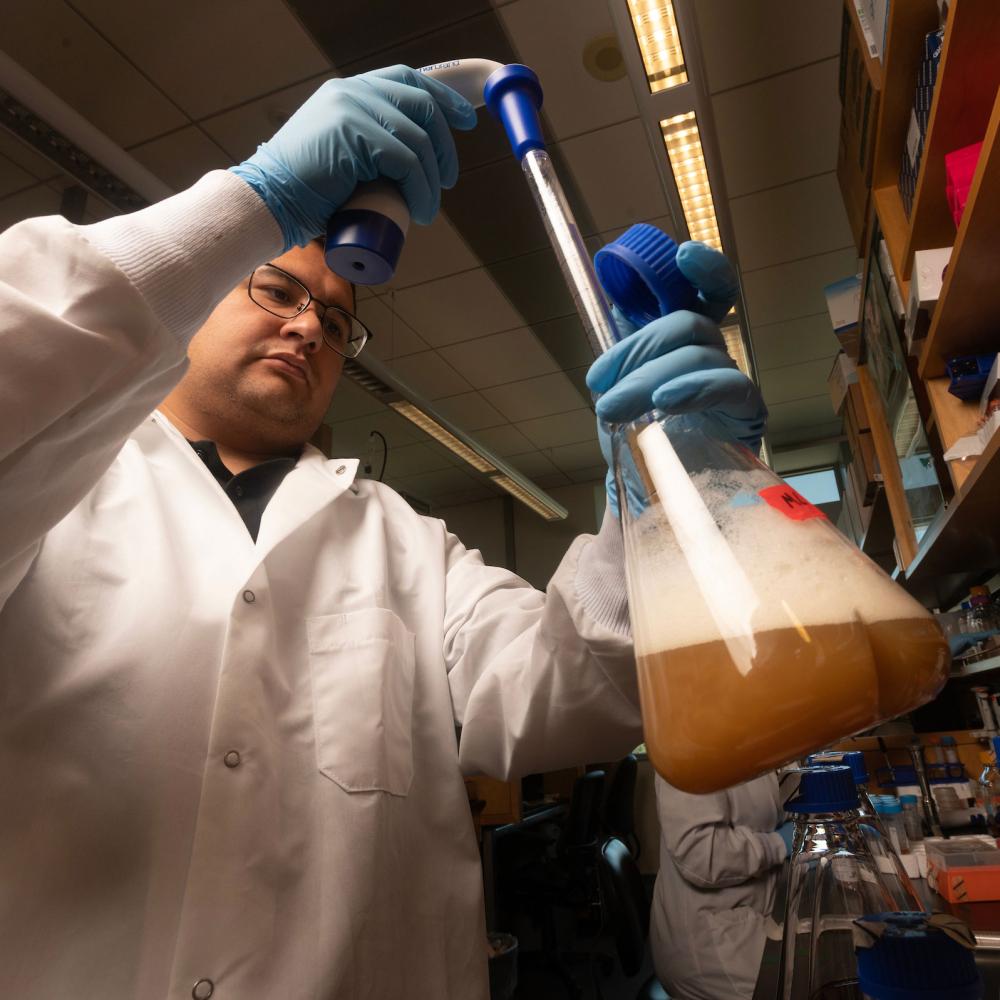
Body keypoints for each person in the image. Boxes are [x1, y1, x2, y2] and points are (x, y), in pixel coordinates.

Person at [0, 65, 766, 999]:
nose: (309, 327)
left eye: (333, 318)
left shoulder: (405, 541)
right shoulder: (51, 490)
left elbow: (566, 694)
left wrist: (661, 503)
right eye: (277, 289)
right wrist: (251, 199)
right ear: (200, 293)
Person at [649, 772, 795, 1000]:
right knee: (808, 983)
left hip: (757, 910)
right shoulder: (691, 746)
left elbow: (774, 800)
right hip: (712, 941)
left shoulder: (754, 741)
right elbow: (700, 854)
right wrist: (778, 845)